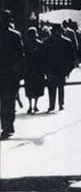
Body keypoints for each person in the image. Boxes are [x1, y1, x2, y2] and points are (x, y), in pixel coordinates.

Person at [0, 10, 24, 140]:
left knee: (4, 103)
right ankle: (8, 126)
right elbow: (21, 56)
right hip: (11, 74)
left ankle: (6, 126)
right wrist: (19, 73)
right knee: (9, 102)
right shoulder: (16, 35)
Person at [44, 24, 75, 112]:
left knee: (53, 87)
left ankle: (53, 105)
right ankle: (60, 104)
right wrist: (68, 69)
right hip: (59, 68)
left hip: (53, 68)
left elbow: (43, 56)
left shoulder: (47, 41)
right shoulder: (66, 41)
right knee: (59, 87)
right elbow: (72, 57)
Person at [24, 27, 46, 114]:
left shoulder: (25, 45)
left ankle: (30, 106)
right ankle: (35, 106)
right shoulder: (40, 44)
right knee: (36, 88)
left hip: (29, 70)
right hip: (37, 69)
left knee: (29, 88)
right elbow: (43, 58)